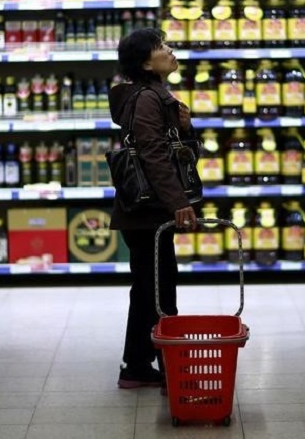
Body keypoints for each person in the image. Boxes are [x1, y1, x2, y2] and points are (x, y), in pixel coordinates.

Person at [109, 28, 199, 389]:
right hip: (148, 211)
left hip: (146, 210)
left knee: (150, 286)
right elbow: (154, 155)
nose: (170, 50)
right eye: (162, 47)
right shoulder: (147, 98)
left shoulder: (155, 95)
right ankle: (161, 364)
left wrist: (186, 127)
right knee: (159, 288)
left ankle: (139, 363)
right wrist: (178, 202)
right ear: (147, 62)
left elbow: (176, 150)